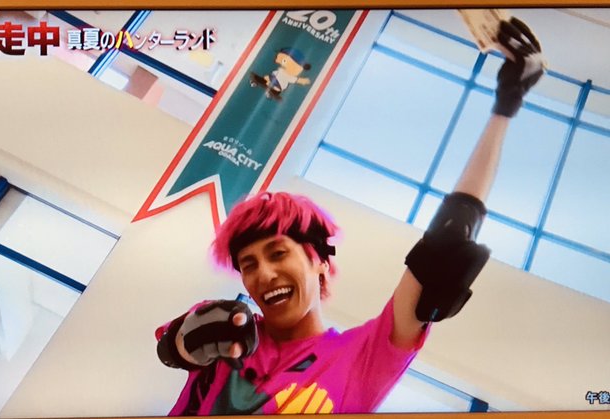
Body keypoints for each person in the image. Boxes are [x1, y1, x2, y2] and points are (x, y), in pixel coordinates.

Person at [155, 17, 545, 415]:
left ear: (320, 262)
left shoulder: (362, 359)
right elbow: (173, 349)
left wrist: (504, 108)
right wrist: (188, 341)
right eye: (248, 264)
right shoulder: (228, 329)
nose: (264, 274)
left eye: (278, 253)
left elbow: (448, 239)